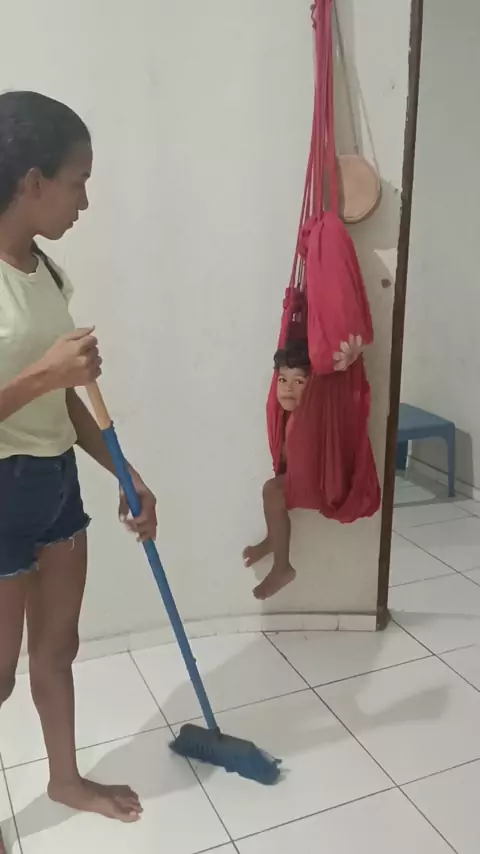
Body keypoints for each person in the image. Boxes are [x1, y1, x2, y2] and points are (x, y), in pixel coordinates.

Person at [0, 91, 158, 846]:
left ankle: (64, 779)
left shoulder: (46, 270)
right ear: (33, 182)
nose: (84, 202)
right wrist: (46, 372)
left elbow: (64, 400)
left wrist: (125, 471)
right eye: (77, 182)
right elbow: (45, 381)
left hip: (55, 479)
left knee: (58, 649)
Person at [243, 338, 310, 600]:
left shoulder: (313, 416)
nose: (288, 388)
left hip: (318, 481)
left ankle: (283, 567)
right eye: (282, 380)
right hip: (297, 474)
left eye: (299, 381)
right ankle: (274, 539)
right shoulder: (284, 415)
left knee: (272, 491)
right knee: (272, 494)